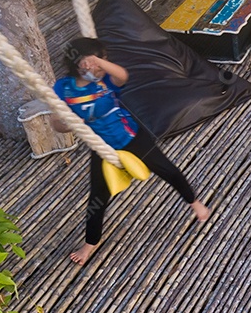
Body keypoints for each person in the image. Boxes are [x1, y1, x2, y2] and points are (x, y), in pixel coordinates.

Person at [52, 38, 210, 265]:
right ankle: (91, 242)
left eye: (103, 61)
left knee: (168, 170)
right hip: (103, 147)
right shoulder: (64, 88)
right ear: (78, 66)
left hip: (132, 136)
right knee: (97, 199)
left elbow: (123, 76)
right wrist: (67, 122)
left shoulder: (105, 80)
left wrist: (98, 62)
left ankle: (195, 203)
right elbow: (55, 124)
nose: (99, 67)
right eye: (93, 64)